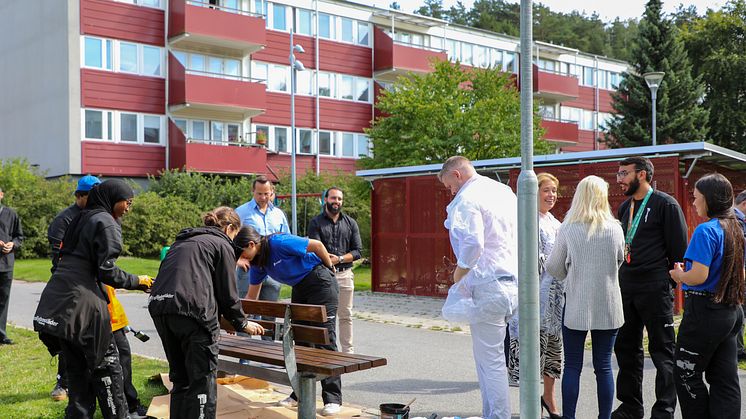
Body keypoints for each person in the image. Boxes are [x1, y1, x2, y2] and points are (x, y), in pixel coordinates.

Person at [33, 179, 153, 419]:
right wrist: (138, 281)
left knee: (77, 373)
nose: (128, 208)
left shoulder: (79, 217)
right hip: (84, 307)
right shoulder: (106, 222)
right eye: (127, 202)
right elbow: (106, 271)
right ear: (113, 200)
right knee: (107, 367)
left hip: (57, 301)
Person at [148, 207, 264, 419]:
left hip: (161, 309)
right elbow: (228, 294)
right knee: (202, 381)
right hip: (193, 314)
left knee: (181, 380)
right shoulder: (221, 244)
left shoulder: (182, 242)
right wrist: (241, 323)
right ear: (230, 228)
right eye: (235, 235)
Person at [438, 156, 518, 419]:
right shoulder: (502, 191)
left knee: (491, 359)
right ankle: (490, 414)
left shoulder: (468, 198)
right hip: (512, 281)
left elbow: (473, 243)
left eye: (449, 184)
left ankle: (498, 415)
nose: (450, 191)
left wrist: (458, 273)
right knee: (488, 357)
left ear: (457, 174)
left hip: (488, 284)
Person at [612, 156, 687, 419]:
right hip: (626, 287)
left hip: (655, 289)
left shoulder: (665, 204)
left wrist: (666, 283)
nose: (619, 179)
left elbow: (679, 251)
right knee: (626, 349)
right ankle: (630, 407)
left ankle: (664, 410)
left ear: (641, 174)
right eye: (618, 174)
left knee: (663, 351)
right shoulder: (623, 208)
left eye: (624, 174)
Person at [546, 175, 625, 419]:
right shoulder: (615, 229)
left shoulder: (568, 228)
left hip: (577, 306)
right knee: (603, 367)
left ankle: (569, 416)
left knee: (572, 366)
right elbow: (619, 260)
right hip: (609, 306)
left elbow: (555, 268)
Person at [241, 227, 341, 416]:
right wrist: (238, 320)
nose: (242, 259)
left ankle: (333, 398)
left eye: (242, 253)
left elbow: (318, 245)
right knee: (301, 340)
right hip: (300, 288)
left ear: (252, 245)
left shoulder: (278, 243)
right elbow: (251, 298)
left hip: (319, 281)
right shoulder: (257, 263)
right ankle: (299, 394)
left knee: (325, 341)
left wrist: (329, 269)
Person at [669, 173, 745, 419]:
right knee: (725, 377)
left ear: (710, 199)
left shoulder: (706, 231)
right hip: (731, 311)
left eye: (696, 198)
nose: (693, 203)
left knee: (685, 371)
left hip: (705, 310)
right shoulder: (737, 228)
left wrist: (679, 275)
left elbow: (698, 275)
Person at [507, 173, 564, 418]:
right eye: (546, 190)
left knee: (552, 351)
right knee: (531, 352)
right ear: (534, 194)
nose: (551, 195)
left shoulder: (554, 221)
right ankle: (529, 404)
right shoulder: (525, 220)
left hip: (555, 299)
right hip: (532, 298)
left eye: (554, 191)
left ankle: (549, 398)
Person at [46, 174, 101, 402]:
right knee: (68, 333)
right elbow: (59, 256)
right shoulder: (64, 219)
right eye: (93, 196)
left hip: (92, 284)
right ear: (80, 196)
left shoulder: (96, 216)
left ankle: (92, 380)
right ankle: (63, 383)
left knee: (92, 334)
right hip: (68, 285)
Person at [308, 186, 363, 354]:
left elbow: (357, 252)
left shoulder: (351, 223)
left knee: (346, 315)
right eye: (333, 198)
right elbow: (314, 248)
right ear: (326, 199)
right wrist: (328, 259)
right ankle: (326, 352)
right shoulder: (315, 223)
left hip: (345, 274)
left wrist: (338, 259)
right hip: (324, 275)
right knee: (324, 316)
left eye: (339, 199)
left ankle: (348, 352)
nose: (336, 202)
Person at [234, 176, 289, 339]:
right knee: (245, 312)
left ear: (272, 192)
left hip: (273, 271)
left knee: (269, 315)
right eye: (259, 194)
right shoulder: (241, 212)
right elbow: (229, 239)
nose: (263, 197)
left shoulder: (279, 214)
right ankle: (244, 356)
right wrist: (238, 259)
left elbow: (286, 239)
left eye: (266, 194)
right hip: (248, 271)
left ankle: (267, 353)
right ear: (253, 191)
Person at [0, 186, 24, 346]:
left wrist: (12, 244)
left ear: (1, 194)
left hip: (6, 263)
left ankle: (1, 335)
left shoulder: (11, 214)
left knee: (3, 300)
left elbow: (19, 236)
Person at [733, 190, 746, 361]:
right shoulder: (735, 220)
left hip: (740, 273)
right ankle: (736, 350)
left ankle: (738, 349)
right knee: (738, 313)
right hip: (739, 274)